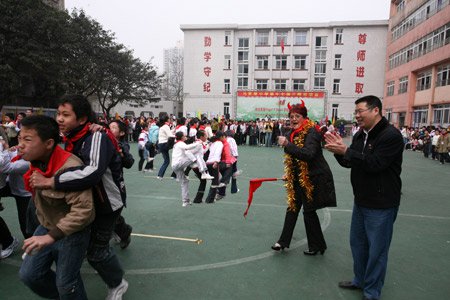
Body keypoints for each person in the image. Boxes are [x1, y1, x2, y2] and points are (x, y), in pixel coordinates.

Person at [31, 95, 129, 299]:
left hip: (106, 204)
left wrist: (51, 182)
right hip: (86, 202)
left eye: (65, 115)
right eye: (58, 114)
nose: (59, 119)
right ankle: (122, 231)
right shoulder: (70, 137)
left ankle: (117, 283)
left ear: (83, 119)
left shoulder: (96, 137)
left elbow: (92, 172)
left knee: (96, 253)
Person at [324, 95, 404, 300]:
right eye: (356, 112)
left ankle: (371, 292)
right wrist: (338, 152)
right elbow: (351, 163)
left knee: (377, 251)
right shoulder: (361, 135)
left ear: (375, 110)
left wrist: (347, 151)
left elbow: (375, 164)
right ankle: (360, 279)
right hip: (361, 200)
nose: (357, 115)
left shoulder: (390, 136)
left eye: (360, 111)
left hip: (382, 203)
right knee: (358, 244)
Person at [18, 115, 95, 299]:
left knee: (66, 283)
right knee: (29, 275)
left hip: (72, 231)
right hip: (46, 224)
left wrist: (50, 237)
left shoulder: (69, 168)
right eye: (20, 138)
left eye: (27, 140)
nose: (20, 144)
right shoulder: (35, 160)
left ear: (49, 143)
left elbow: (84, 211)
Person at [271, 101, 336, 256]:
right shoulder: (290, 133)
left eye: (297, 116)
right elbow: (293, 158)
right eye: (291, 116)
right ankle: (283, 242)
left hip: (313, 178)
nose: (293, 119)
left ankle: (317, 245)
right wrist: (289, 173)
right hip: (297, 178)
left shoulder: (312, 131)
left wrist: (287, 144)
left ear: (304, 117)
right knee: (292, 209)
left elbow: (308, 154)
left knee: (309, 211)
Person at [171, 131, 214, 207]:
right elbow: (187, 148)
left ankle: (185, 201)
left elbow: (196, 151)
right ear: (181, 137)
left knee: (184, 182)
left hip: (175, 165)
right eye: (184, 136)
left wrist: (206, 146)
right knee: (197, 156)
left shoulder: (178, 144)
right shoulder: (180, 143)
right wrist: (198, 143)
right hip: (180, 163)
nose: (185, 137)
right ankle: (203, 173)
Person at [157, 114, 175, 179]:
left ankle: (160, 175)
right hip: (164, 144)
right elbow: (170, 135)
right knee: (177, 145)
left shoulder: (163, 126)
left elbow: (169, 132)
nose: (170, 120)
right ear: (166, 120)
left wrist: (174, 130)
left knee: (166, 161)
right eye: (169, 119)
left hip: (161, 145)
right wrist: (178, 136)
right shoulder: (166, 126)